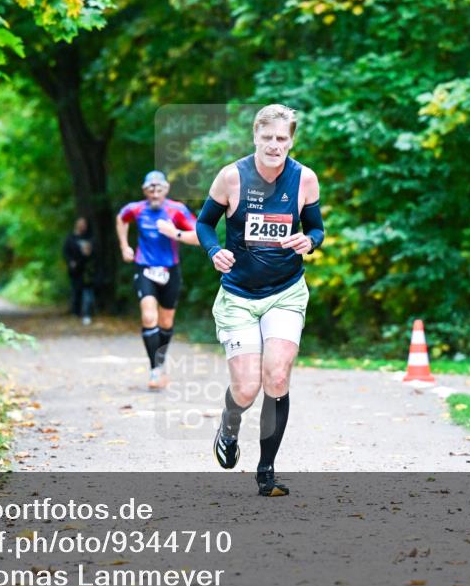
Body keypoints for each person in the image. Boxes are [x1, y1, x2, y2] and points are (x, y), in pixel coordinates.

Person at [195, 104, 324, 497]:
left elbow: (315, 228)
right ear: (255, 136)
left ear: (291, 140)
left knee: (278, 377)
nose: (274, 145)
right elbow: (204, 223)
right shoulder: (232, 177)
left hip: (285, 292)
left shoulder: (304, 179)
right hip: (238, 295)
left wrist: (311, 241)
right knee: (248, 388)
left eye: (281, 138)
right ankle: (229, 423)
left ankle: (266, 471)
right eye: (267, 137)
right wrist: (214, 249)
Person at [116, 171, 200, 390]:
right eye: (150, 189)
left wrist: (175, 233)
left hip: (170, 270)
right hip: (144, 268)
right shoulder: (136, 209)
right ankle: (155, 370)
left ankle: (160, 362)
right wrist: (124, 246)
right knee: (148, 316)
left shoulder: (177, 210)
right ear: (145, 191)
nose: (155, 193)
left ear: (166, 189)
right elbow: (121, 218)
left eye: (159, 188)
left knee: (166, 323)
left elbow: (201, 235)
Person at [63, 217, 95, 325]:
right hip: (75, 271)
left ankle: (87, 314)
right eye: (80, 224)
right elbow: (65, 252)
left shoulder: (90, 237)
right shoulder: (70, 238)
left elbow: (93, 253)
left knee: (88, 293)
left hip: (87, 271)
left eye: (84, 224)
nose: (82, 226)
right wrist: (70, 262)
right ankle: (76, 313)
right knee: (76, 291)